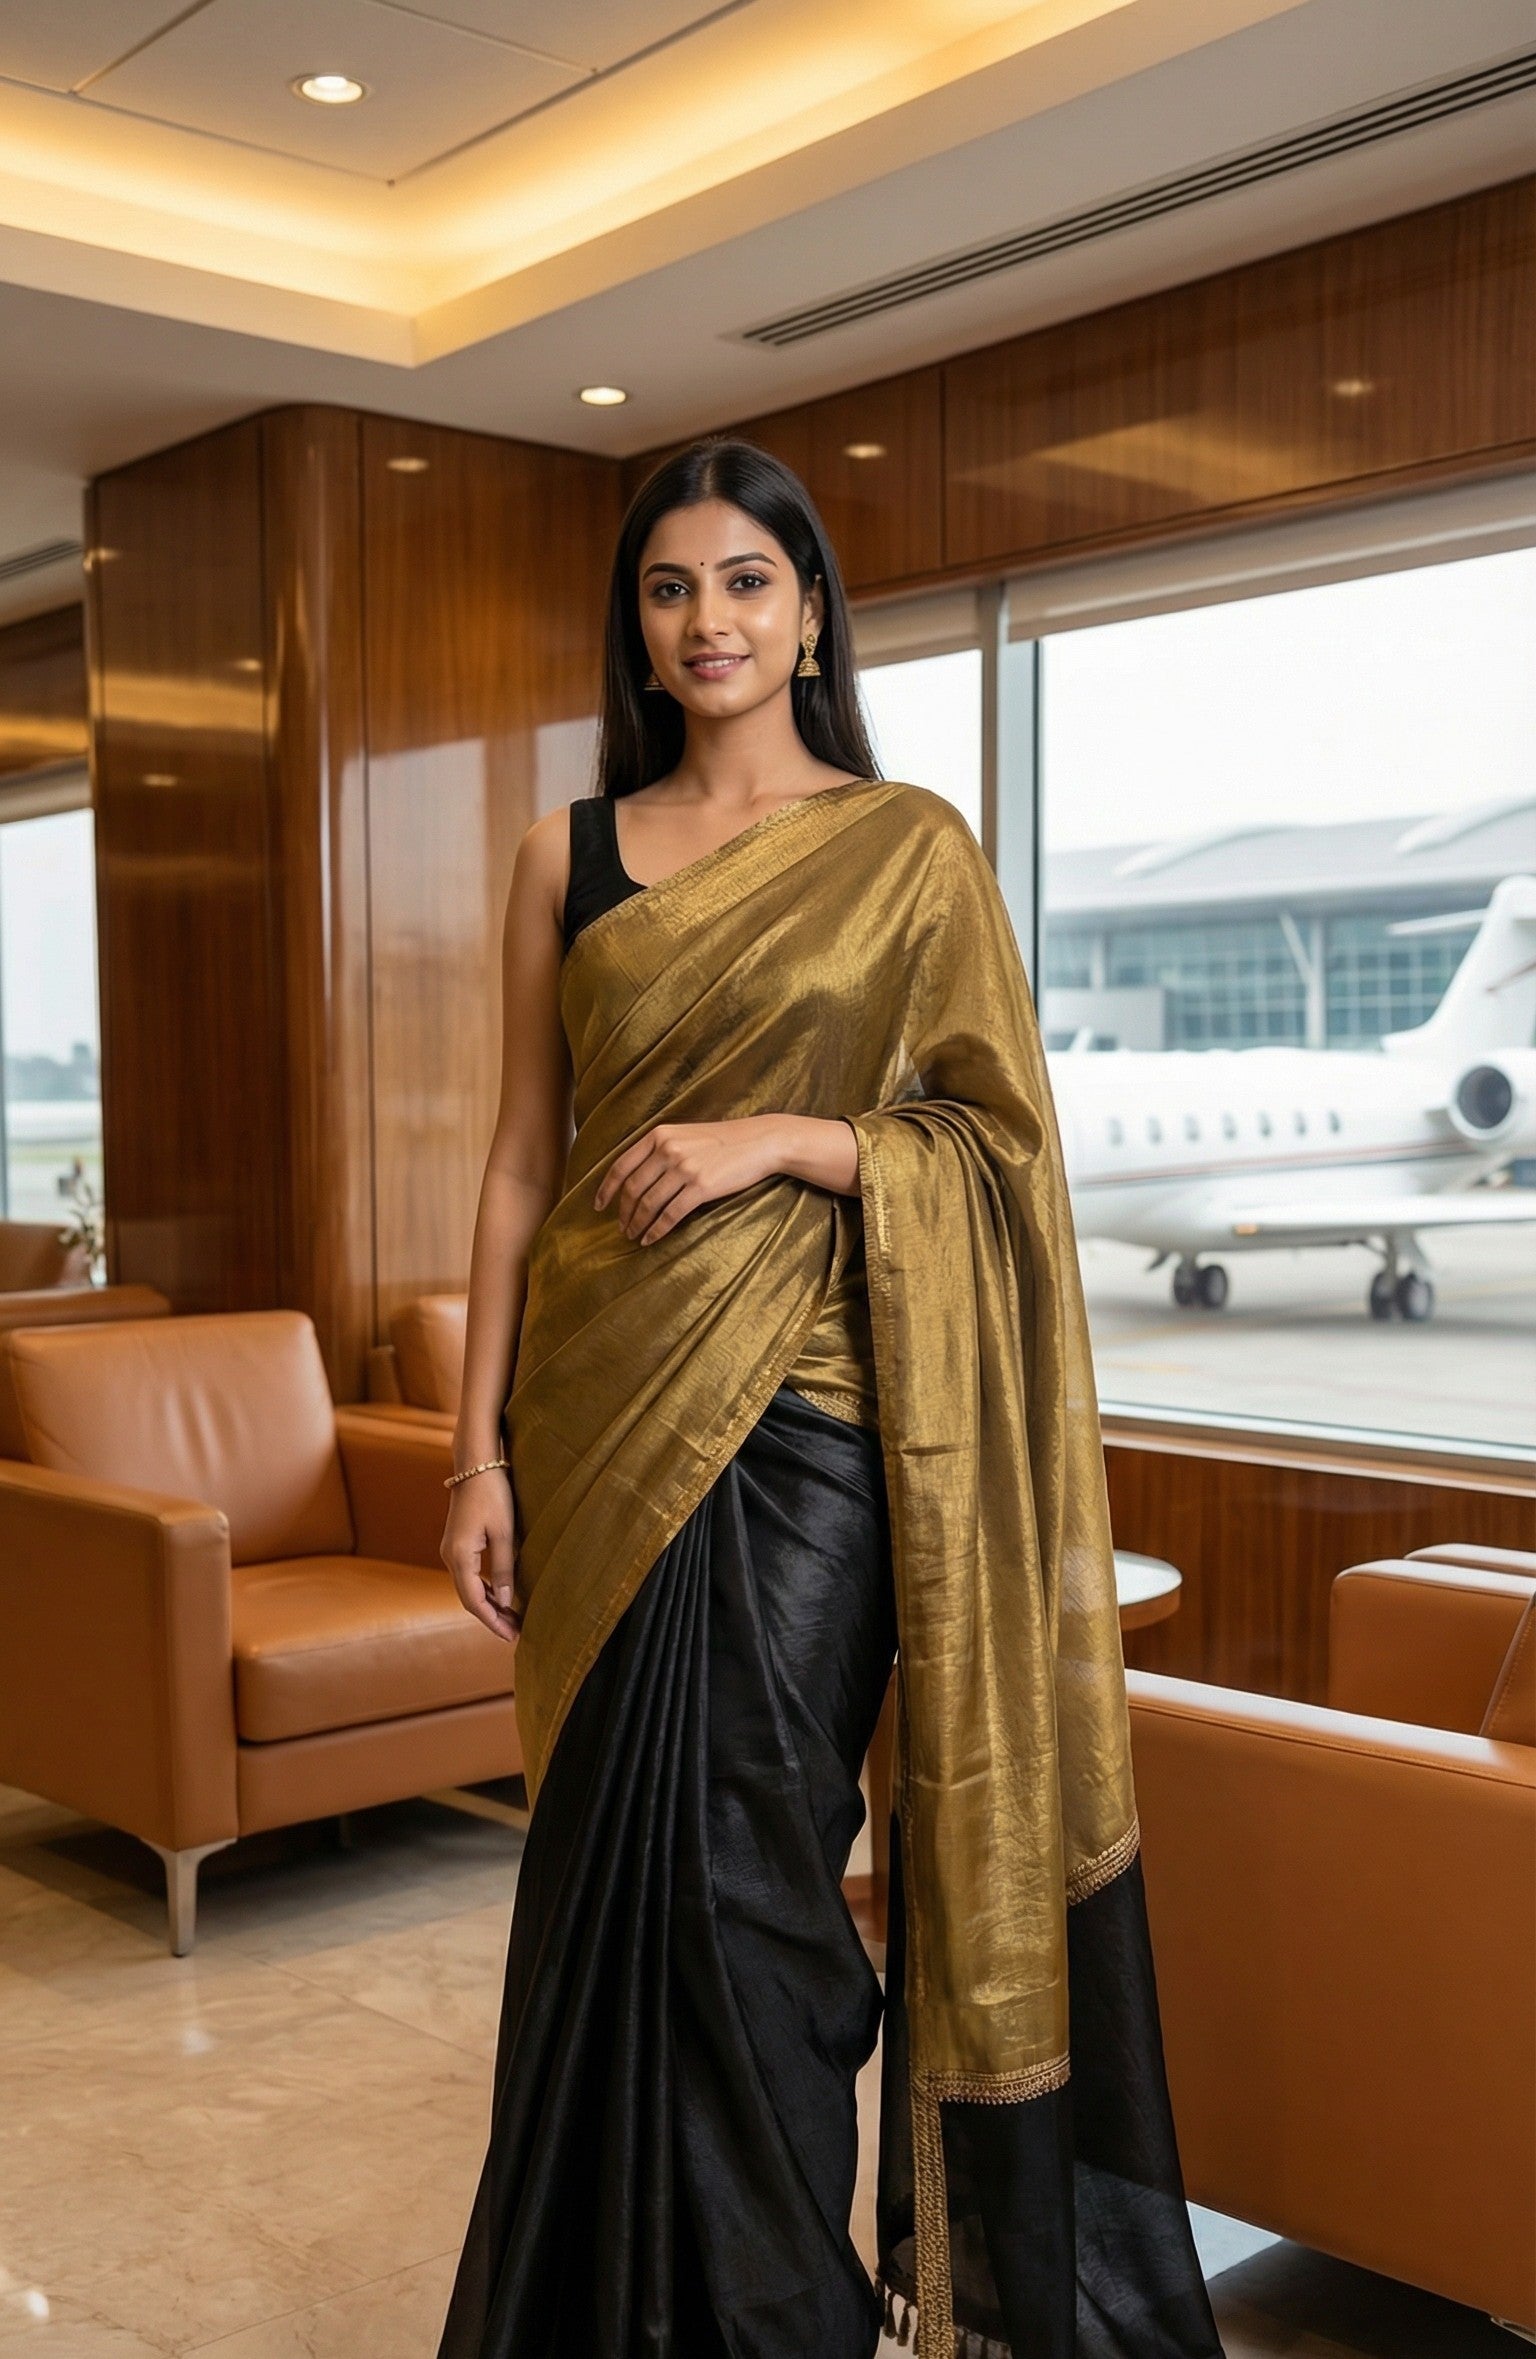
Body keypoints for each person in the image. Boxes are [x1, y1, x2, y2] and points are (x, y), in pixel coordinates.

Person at [433, 439, 1224, 2359]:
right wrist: (475, 1455)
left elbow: (1003, 1153)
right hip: (594, 1423)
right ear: (637, 625)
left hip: (815, 1435)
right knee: (599, 1896)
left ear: (808, 618)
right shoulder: (567, 851)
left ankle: (775, 2315)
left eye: (744, 583)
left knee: (755, 1891)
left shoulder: (907, 848)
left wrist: (782, 1138)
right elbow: (523, 1164)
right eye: (668, 588)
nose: (705, 620)